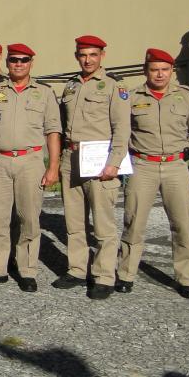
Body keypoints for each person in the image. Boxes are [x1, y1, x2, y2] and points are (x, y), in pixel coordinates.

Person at [0, 44, 61, 292]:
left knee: (28, 218)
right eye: (13, 60)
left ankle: (27, 269)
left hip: (30, 161)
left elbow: (53, 131)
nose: (18, 64)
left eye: (23, 60)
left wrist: (53, 166)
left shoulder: (43, 93)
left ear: (31, 62)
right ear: (7, 63)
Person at [116, 48, 189, 300]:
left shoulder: (185, 98)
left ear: (171, 71)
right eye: (154, 69)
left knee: (182, 225)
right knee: (134, 224)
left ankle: (186, 278)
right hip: (143, 166)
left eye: (164, 70)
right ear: (146, 71)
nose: (159, 74)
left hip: (176, 167)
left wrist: (187, 148)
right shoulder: (132, 98)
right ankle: (126, 274)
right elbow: (122, 131)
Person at [54, 35, 130, 299]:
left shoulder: (113, 87)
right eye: (82, 55)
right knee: (74, 221)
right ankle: (76, 269)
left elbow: (122, 129)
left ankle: (104, 275)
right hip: (71, 157)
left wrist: (114, 163)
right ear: (77, 56)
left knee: (102, 224)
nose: (87, 60)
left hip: (100, 161)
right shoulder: (71, 86)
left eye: (93, 55)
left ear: (102, 56)